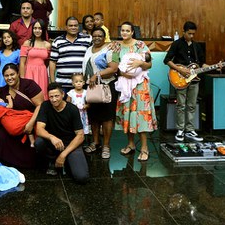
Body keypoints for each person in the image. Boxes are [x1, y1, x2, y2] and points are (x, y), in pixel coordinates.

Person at [113, 22, 156, 163]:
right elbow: (114, 66)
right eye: (122, 30)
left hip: (140, 86)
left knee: (141, 115)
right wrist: (122, 73)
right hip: (125, 84)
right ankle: (131, 144)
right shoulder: (117, 46)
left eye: (127, 31)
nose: (124, 33)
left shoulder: (140, 45)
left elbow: (149, 64)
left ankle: (144, 148)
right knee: (128, 114)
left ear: (132, 32)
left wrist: (140, 63)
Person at [35, 83, 88, 183]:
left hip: (70, 144)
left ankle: (65, 159)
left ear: (63, 94)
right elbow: (39, 129)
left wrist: (63, 155)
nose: (54, 99)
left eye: (57, 96)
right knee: (39, 142)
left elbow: (80, 136)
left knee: (81, 177)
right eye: (51, 97)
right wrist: (52, 137)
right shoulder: (45, 106)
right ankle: (52, 160)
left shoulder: (72, 109)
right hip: (53, 143)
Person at [0, 64, 43, 169]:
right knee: (1, 135)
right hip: (12, 122)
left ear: (18, 73)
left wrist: (30, 124)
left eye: (12, 74)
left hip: (31, 120)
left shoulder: (29, 85)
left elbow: (40, 105)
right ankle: (6, 161)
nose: (9, 78)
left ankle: (27, 163)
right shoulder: (2, 91)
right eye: (6, 76)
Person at [163, 21, 206, 142]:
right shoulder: (177, 44)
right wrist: (180, 70)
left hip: (194, 80)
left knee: (192, 105)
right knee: (181, 105)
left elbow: (202, 64)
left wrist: (216, 66)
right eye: (189, 33)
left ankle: (190, 129)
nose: (191, 36)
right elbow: (167, 60)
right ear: (184, 32)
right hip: (180, 79)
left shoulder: (197, 46)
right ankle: (180, 130)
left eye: (193, 34)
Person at [84, 27, 118, 159]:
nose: (97, 38)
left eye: (100, 36)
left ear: (104, 37)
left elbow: (114, 68)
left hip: (106, 86)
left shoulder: (110, 49)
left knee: (107, 117)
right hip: (92, 87)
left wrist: (97, 75)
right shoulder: (89, 49)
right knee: (93, 116)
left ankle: (106, 146)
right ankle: (96, 142)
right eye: (95, 35)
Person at [50, 16, 91, 94]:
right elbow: (52, 62)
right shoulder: (57, 41)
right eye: (70, 25)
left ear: (78, 27)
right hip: (62, 84)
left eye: (75, 25)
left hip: (81, 84)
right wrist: (52, 82)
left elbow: (98, 47)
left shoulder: (87, 39)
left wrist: (113, 44)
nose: (73, 27)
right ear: (66, 27)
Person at [20, 20, 51, 98]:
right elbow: (22, 63)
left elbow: (48, 62)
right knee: (29, 94)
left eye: (40, 28)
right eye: (35, 28)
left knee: (42, 95)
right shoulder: (27, 43)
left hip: (42, 72)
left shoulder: (47, 45)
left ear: (43, 30)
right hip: (29, 72)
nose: (37, 30)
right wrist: (22, 79)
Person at [0, 30, 21, 96]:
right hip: (1, 76)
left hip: (12, 76)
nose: (6, 39)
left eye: (8, 37)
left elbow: (20, 66)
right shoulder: (0, 53)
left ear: (13, 38)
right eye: (4, 38)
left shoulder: (18, 52)